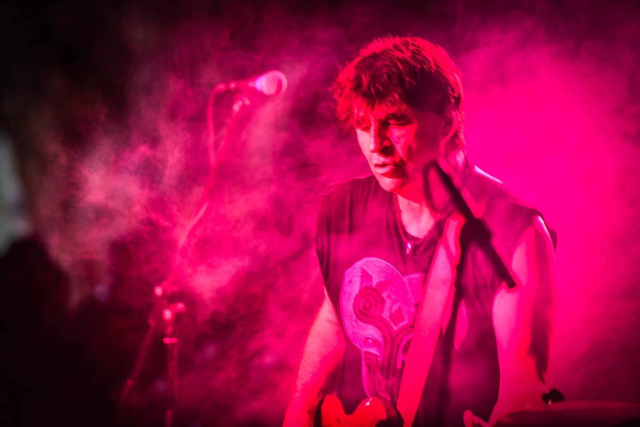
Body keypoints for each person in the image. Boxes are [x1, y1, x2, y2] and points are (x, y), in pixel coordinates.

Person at [283, 36, 556, 427]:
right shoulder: (342, 209)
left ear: (446, 121)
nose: (376, 145)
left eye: (395, 122)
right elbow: (334, 318)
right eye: (363, 125)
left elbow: (523, 388)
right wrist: (300, 410)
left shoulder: (512, 233)